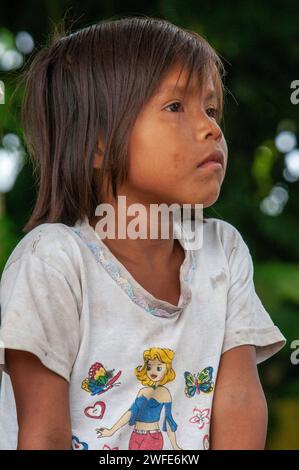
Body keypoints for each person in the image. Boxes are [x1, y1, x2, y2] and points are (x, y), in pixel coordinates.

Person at [0, 16, 286, 450]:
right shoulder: (52, 261)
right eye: (176, 107)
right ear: (97, 143)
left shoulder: (222, 252)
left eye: (211, 109)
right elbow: (40, 432)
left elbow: (241, 399)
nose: (212, 128)